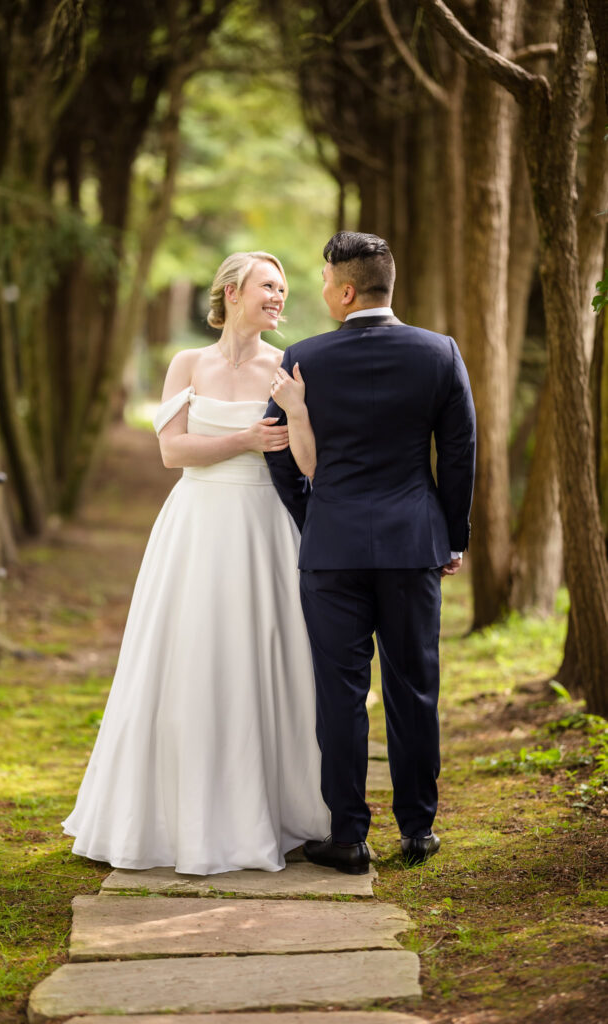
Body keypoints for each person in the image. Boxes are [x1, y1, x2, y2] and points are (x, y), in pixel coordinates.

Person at [62, 251, 331, 874]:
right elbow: (172, 452)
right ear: (232, 290)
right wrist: (242, 440)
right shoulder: (187, 364)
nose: (278, 296)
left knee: (264, 654)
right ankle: (168, 814)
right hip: (195, 524)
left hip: (265, 525)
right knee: (187, 655)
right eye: (269, 285)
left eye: (284, 288)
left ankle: (274, 807)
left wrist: (294, 412)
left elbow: (310, 460)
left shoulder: (287, 367)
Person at [265, 231, 476, 872]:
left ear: (348, 290)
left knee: (341, 691)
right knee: (414, 687)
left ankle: (350, 837)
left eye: (327, 282)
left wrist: (315, 514)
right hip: (415, 546)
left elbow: (277, 447)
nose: (323, 291)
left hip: (332, 549)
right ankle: (417, 830)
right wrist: (452, 535)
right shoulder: (440, 353)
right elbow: (461, 453)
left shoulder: (303, 358)